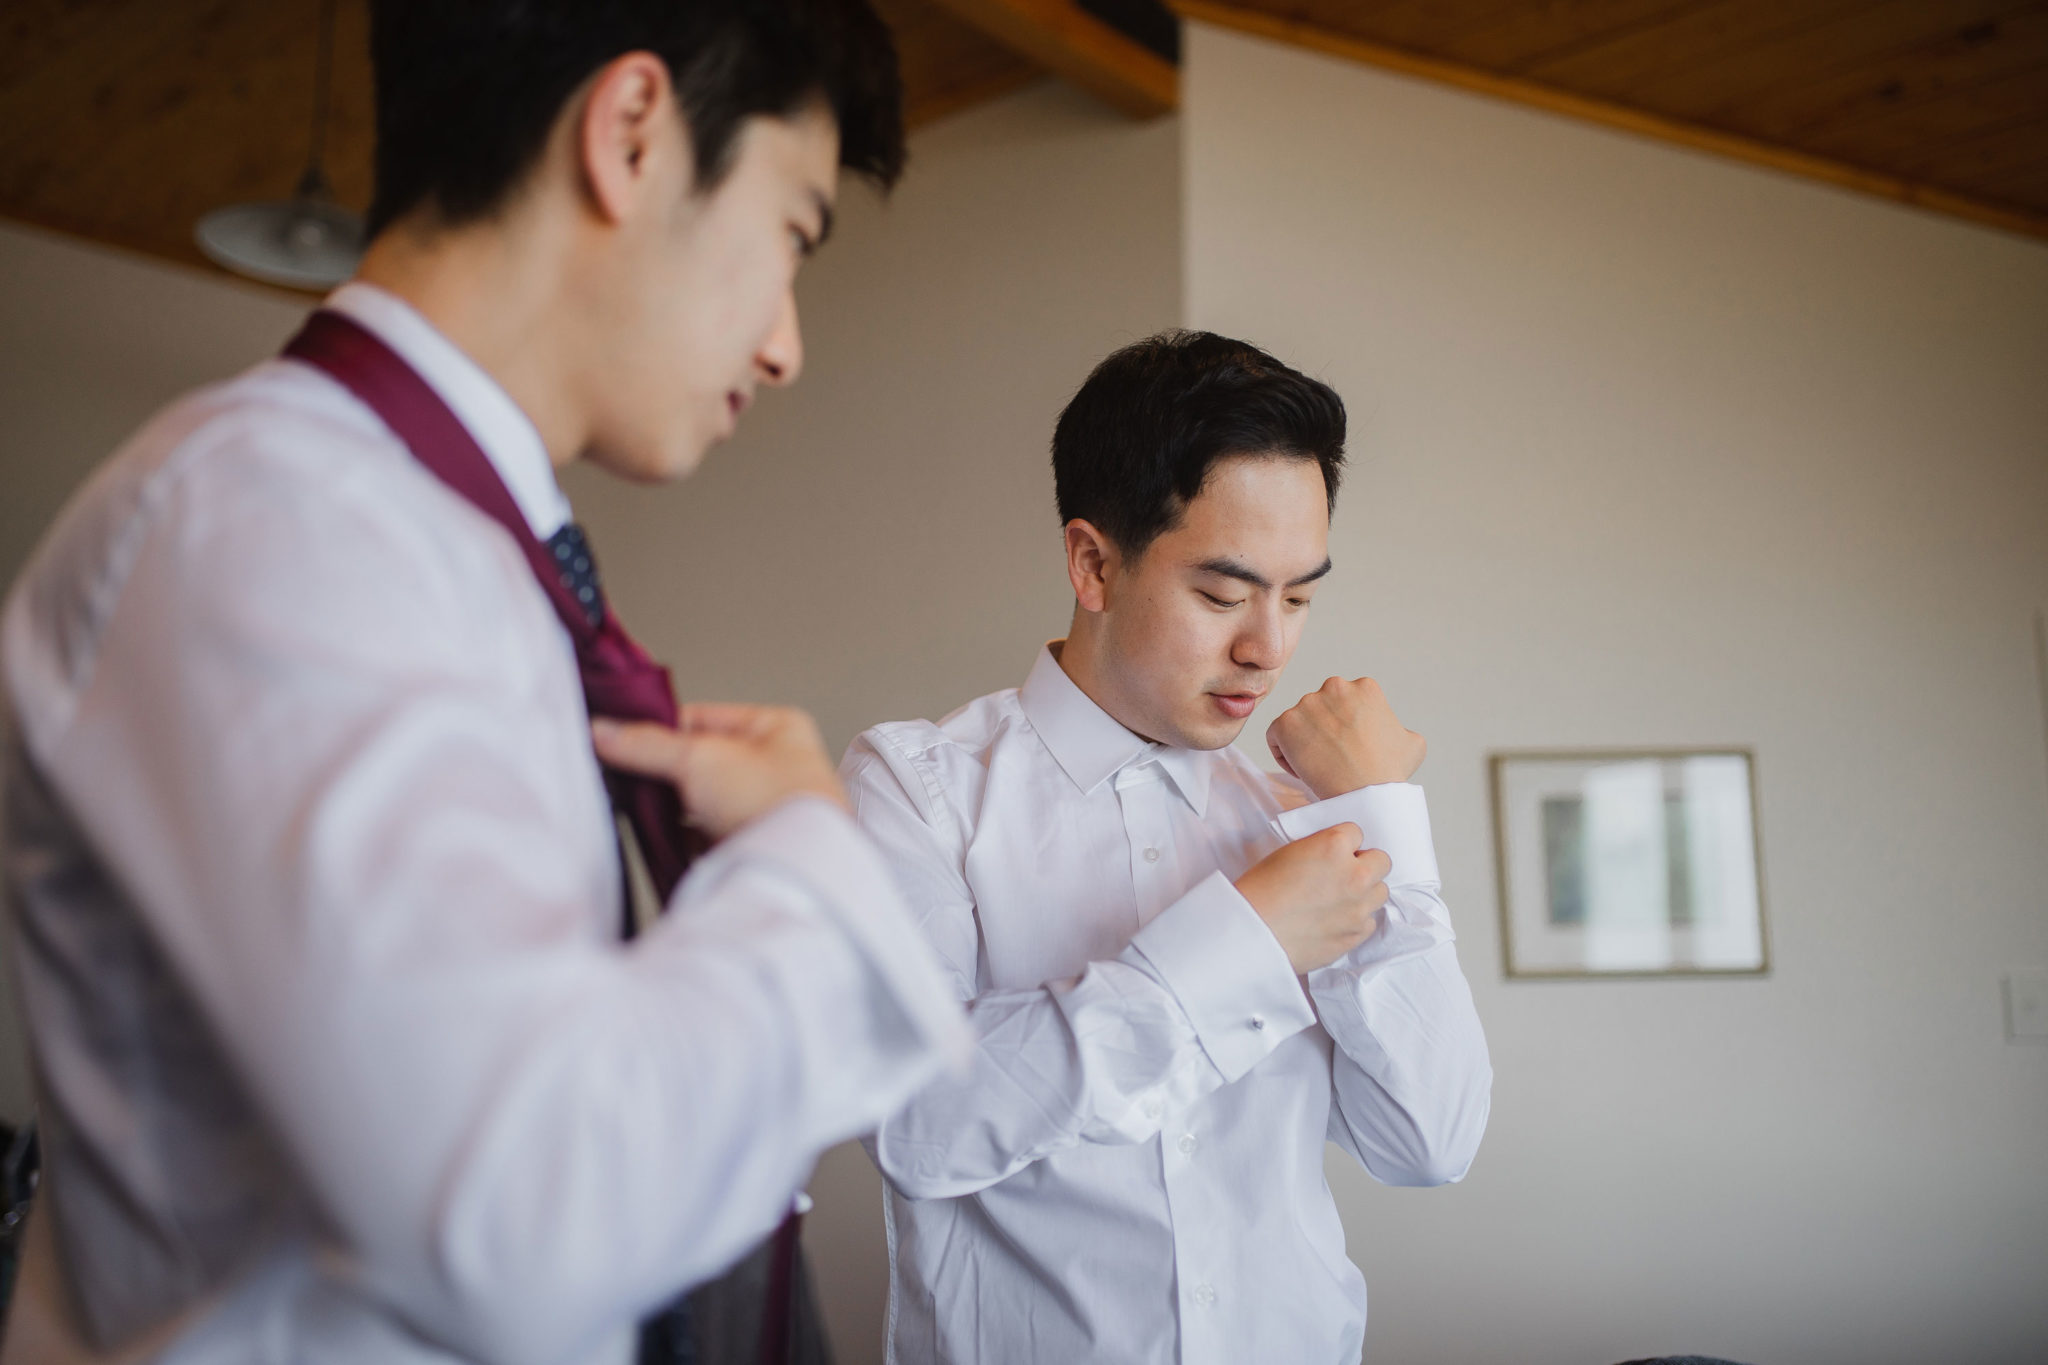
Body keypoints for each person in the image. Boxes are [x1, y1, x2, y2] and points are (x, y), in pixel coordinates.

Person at [0, 2, 969, 1361]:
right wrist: (809, 870)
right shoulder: (271, 523)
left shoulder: (462, 563)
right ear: (631, 133)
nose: (784, 346)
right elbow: (524, 1212)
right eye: (793, 233)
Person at [844, 331, 1494, 1365]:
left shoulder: (1307, 809)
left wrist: (1382, 819)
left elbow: (1429, 1143)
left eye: (1299, 596)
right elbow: (919, 1128)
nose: (1267, 649)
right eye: (1222, 595)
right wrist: (1239, 943)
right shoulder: (916, 791)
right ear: (1092, 562)